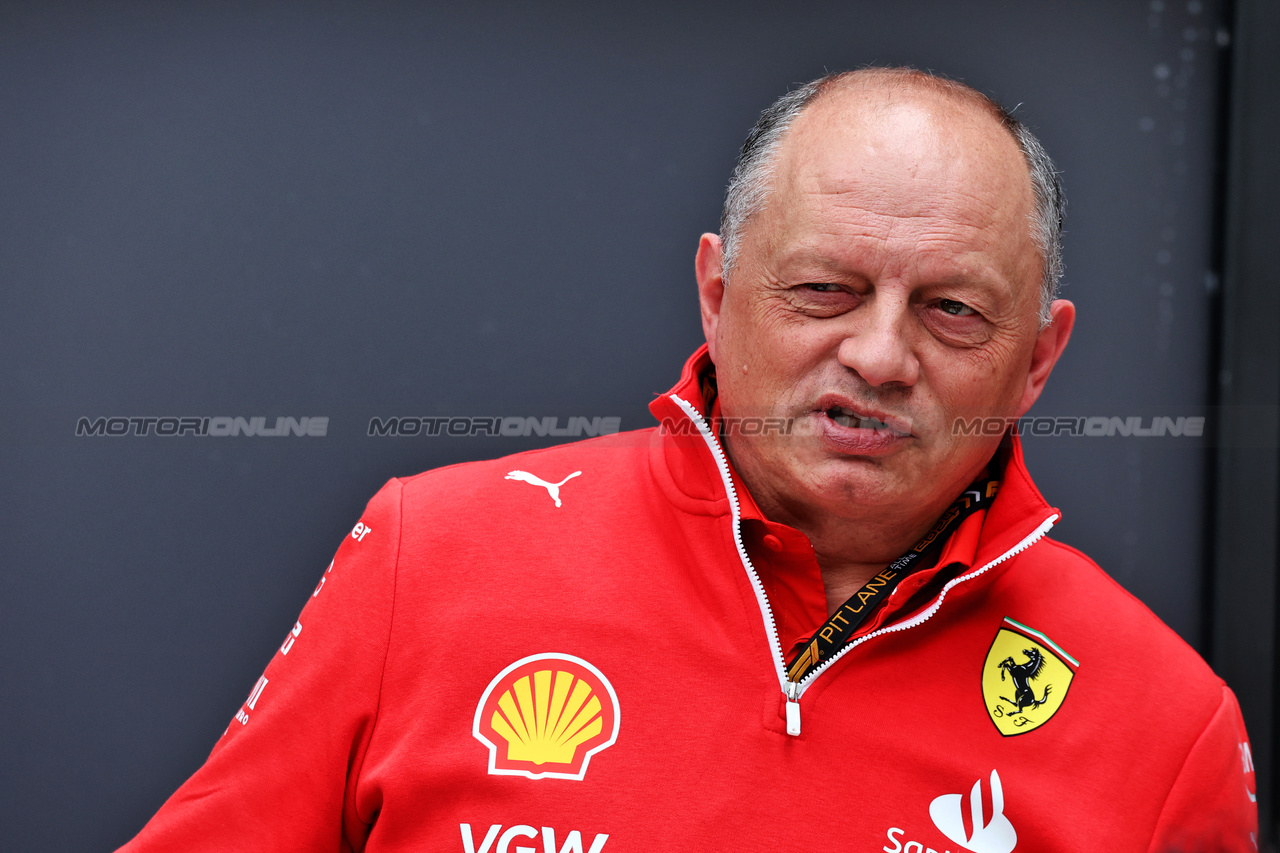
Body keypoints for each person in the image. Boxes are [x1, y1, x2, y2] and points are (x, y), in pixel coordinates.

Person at [118, 68, 1258, 852]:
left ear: (1038, 359)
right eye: (822, 289)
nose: (876, 353)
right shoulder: (431, 553)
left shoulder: (1162, 725)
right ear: (715, 293)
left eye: (952, 309)